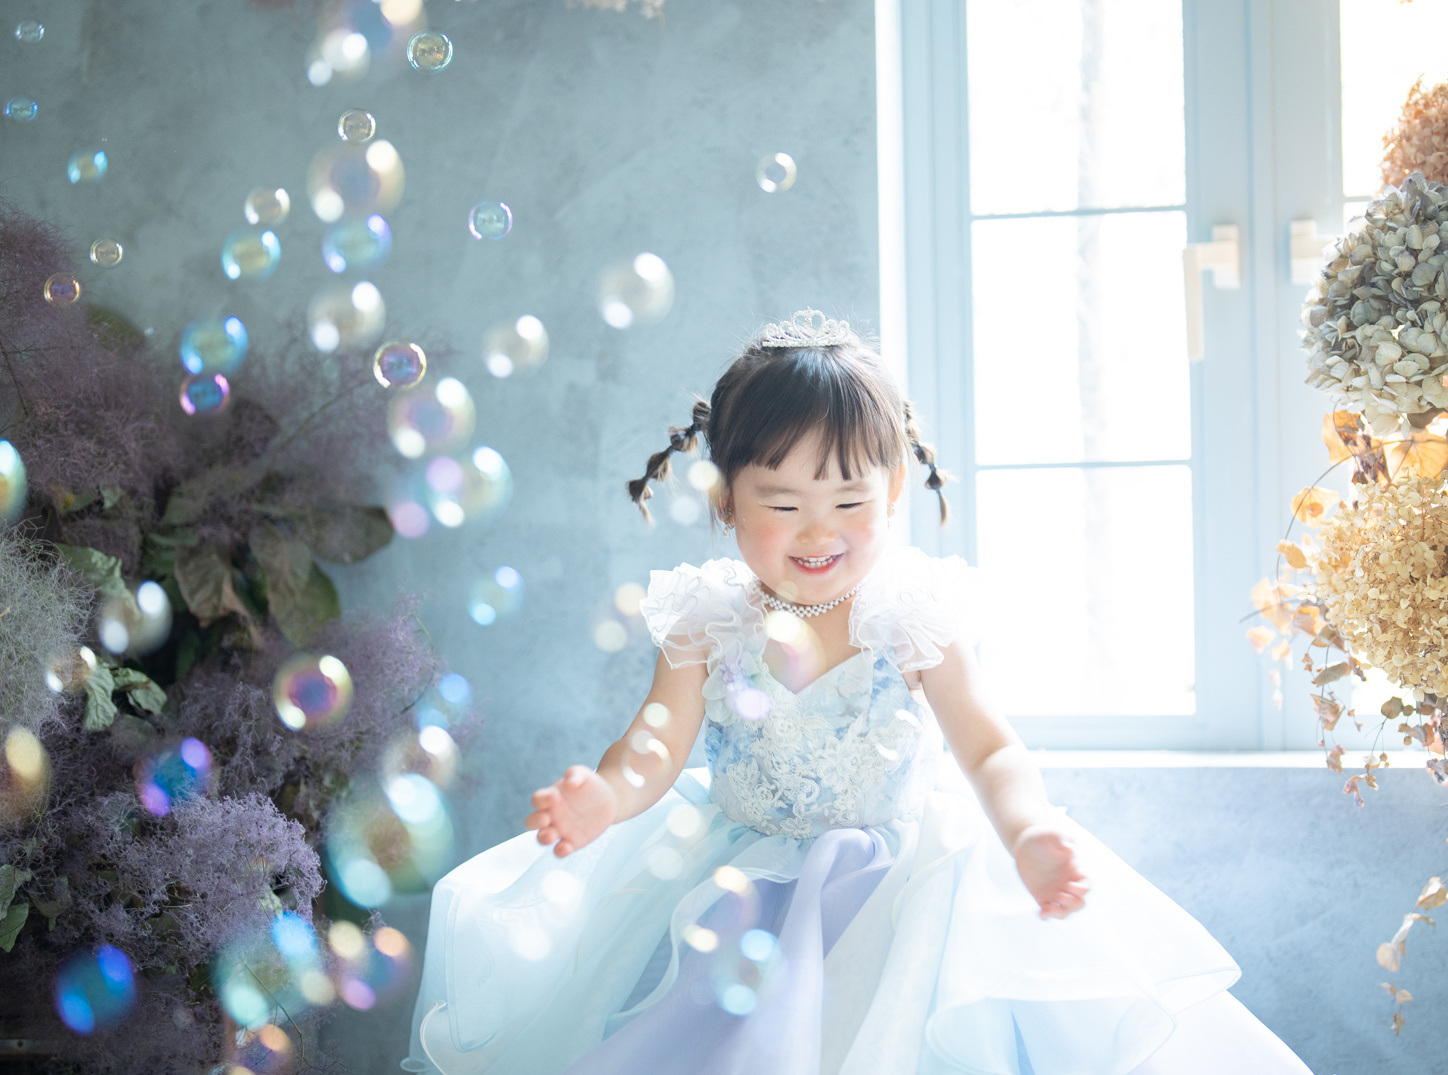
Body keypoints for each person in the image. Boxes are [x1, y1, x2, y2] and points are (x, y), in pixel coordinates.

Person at [404, 311, 1311, 1075]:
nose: (818, 531)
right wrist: (608, 794)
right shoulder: (708, 618)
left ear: (895, 488)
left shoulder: (909, 613)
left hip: (898, 890)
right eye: (782, 502)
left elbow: (988, 744)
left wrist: (1028, 829)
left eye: (848, 501)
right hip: (737, 890)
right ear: (724, 499)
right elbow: (656, 741)